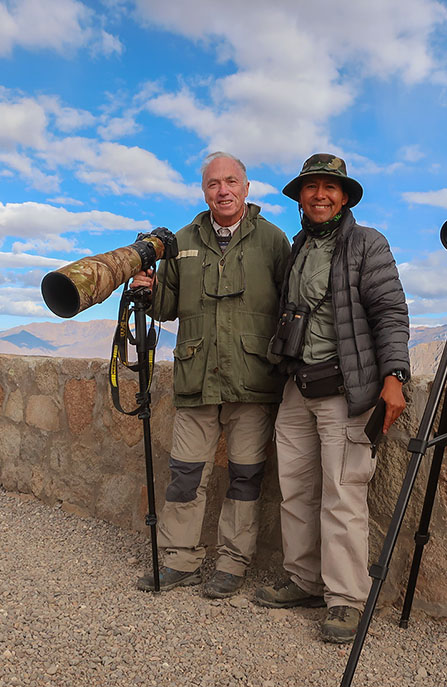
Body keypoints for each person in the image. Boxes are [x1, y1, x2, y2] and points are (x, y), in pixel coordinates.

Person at [254, 153, 410, 643]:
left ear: (344, 196)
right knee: (296, 489)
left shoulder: (367, 243)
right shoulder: (299, 245)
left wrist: (394, 376)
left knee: (343, 494)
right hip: (298, 387)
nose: (320, 195)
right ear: (300, 196)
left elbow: (389, 311)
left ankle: (345, 599)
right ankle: (302, 579)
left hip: (346, 389)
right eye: (311, 187)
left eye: (330, 187)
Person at [131, 152, 291, 598]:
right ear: (204, 191)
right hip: (197, 380)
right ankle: (180, 559)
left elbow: (289, 307)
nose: (223, 190)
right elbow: (167, 309)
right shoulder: (182, 241)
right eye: (213, 184)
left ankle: (233, 564)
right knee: (185, 474)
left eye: (231, 181)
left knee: (245, 476)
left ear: (246, 187)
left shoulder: (274, 241)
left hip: (252, 380)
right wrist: (149, 290)